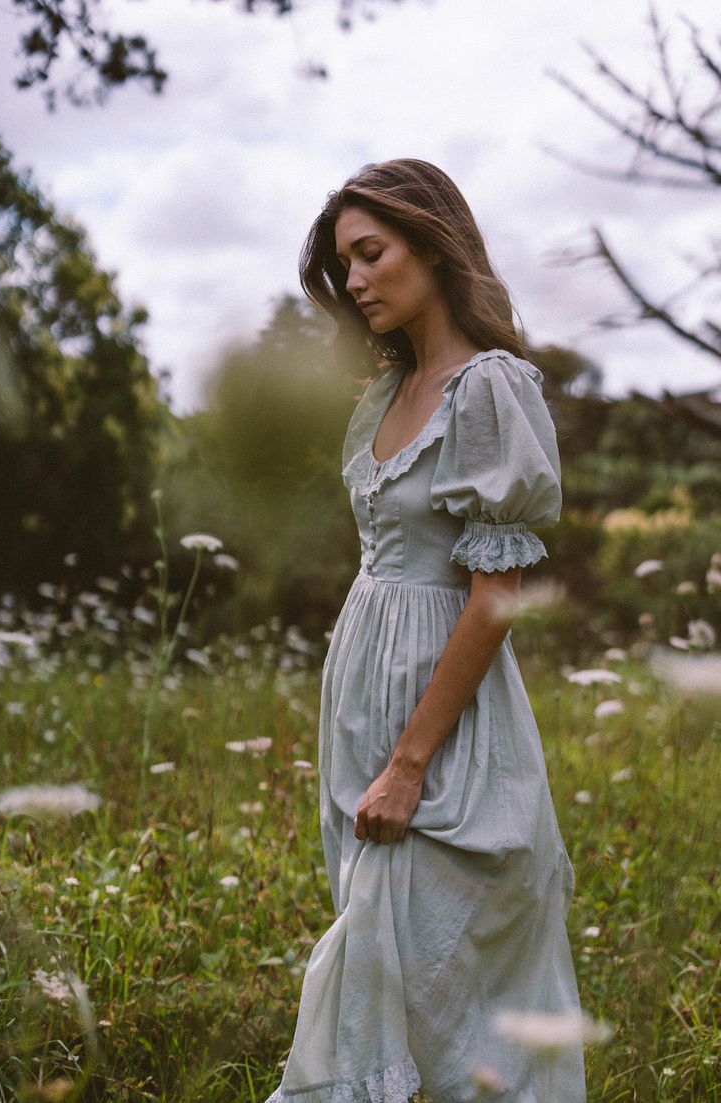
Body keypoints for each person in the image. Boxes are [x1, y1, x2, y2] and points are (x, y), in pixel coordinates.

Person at [265, 159, 586, 1103]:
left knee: (450, 977)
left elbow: (494, 596)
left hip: (446, 728)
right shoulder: (381, 395)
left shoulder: (487, 386)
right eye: (343, 264)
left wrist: (410, 763)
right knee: (383, 965)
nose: (355, 280)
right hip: (363, 696)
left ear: (434, 246)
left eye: (371, 253)